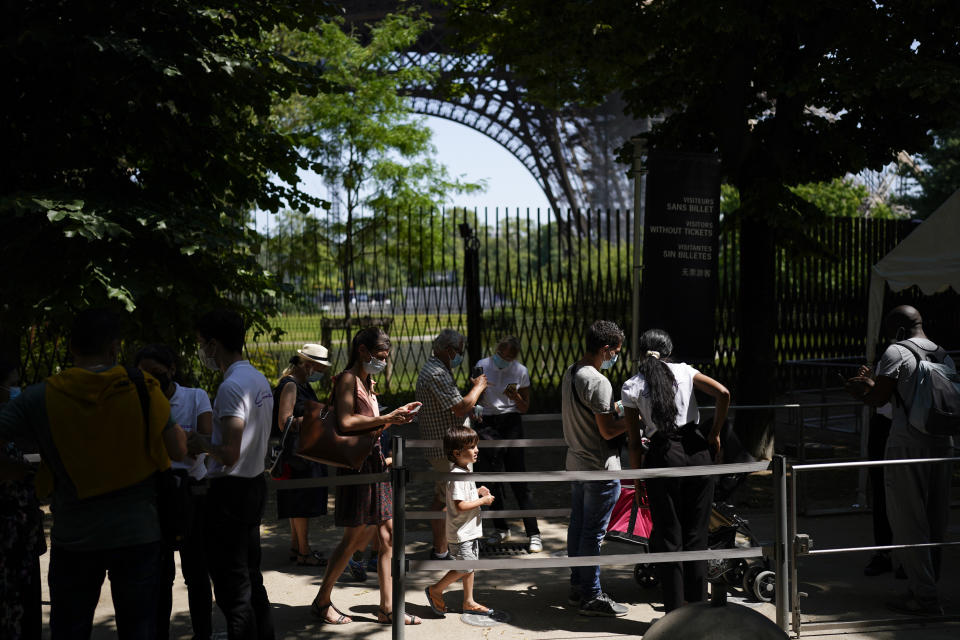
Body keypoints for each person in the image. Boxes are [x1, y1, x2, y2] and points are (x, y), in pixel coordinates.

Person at [0, 308, 187, 639]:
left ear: (71, 347)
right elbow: (178, 451)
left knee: (70, 630)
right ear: (115, 348)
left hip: (74, 537)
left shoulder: (38, 398)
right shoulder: (143, 387)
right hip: (138, 535)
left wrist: (27, 465)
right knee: (139, 630)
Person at [844, 305, 953, 616]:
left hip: (908, 442)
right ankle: (926, 586)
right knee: (935, 520)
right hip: (942, 441)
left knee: (908, 519)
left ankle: (925, 598)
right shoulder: (941, 352)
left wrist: (859, 390)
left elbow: (879, 398)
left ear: (898, 330)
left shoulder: (896, 351)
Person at [309, 327, 422, 626]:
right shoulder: (347, 379)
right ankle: (322, 601)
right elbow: (346, 422)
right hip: (357, 467)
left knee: (388, 537)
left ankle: (387, 608)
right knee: (354, 538)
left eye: (385, 357)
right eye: (379, 356)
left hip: (374, 465)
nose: (383, 362)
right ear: (362, 350)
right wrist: (386, 417)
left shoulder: (367, 382)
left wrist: (394, 417)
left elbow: (368, 427)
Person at [622, 328, 730, 613]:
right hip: (697, 453)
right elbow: (723, 393)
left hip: (661, 457)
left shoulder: (631, 385)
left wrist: (637, 480)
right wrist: (715, 433)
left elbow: (634, 443)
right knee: (697, 536)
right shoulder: (685, 371)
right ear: (669, 352)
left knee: (669, 538)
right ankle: (697, 611)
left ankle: (674, 614)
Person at [190, 309, 275, 639]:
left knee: (232, 589)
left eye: (201, 344)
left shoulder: (232, 386)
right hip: (254, 484)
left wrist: (200, 442)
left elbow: (228, 452)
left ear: (213, 345)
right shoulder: (257, 378)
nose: (201, 352)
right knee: (251, 579)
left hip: (230, 494)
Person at [135, 344, 214, 640]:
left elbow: (202, 443)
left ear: (172, 370)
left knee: (196, 572)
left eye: (157, 373)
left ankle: (203, 633)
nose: (152, 380)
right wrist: (183, 440)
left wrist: (170, 444)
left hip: (193, 492)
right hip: (156, 493)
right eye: (144, 374)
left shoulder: (195, 396)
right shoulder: (137, 402)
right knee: (161, 575)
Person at [561, 320, 628, 617]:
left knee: (578, 527)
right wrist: (634, 417)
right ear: (605, 349)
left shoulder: (572, 371)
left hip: (576, 463)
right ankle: (591, 594)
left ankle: (579, 584)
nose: (616, 357)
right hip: (599, 467)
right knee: (592, 534)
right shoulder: (598, 381)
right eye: (615, 351)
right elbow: (608, 431)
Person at [415, 329, 488, 560]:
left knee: (441, 500)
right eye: (460, 351)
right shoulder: (437, 372)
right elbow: (459, 407)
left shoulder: (438, 369)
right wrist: (478, 387)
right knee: (452, 501)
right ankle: (449, 551)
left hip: (445, 446)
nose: (460, 356)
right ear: (448, 350)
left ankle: (441, 549)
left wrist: (470, 410)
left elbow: (453, 407)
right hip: (447, 451)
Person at [473, 336, 541, 552]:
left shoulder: (520, 370)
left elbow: (524, 407)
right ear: (496, 351)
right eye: (502, 355)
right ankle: (500, 528)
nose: (504, 360)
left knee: (518, 478)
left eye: (509, 357)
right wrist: (476, 407)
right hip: (487, 422)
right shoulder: (482, 365)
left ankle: (534, 532)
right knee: (489, 478)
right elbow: (474, 396)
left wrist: (516, 397)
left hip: (510, 421)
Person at [424, 424, 496, 616]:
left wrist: (477, 491)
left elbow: (464, 496)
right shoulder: (457, 476)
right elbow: (460, 505)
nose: (476, 450)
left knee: (470, 566)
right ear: (457, 452)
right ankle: (436, 590)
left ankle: (469, 601)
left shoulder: (464, 471)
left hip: (469, 530)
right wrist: (483, 500)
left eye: (476, 446)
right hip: (461, 532)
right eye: (472, 447)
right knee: (464, 566)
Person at [274, 344, 331, 568]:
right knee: (300, 504)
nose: (321, 374)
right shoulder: (290, 386)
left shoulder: (301, 384)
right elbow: (284, 421)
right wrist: (317, 418)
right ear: (308, 365)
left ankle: (297, 546)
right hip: (297, 455)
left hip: (303, 452)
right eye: (319, 368)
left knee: (297, 502)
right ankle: (304, 551)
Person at [0, 357, 45, 640]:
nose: (17, 391)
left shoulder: (19, 422)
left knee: (26, 599)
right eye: (12, 384)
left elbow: (35, 457)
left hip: (23, 530)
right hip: (7, 531)